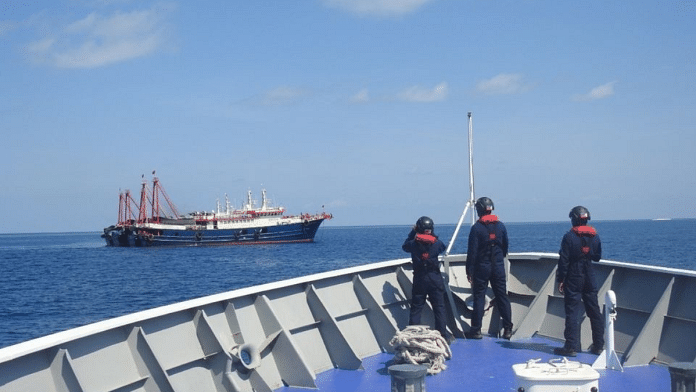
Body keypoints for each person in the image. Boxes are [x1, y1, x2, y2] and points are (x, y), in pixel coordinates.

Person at [554, 206, 605, 357]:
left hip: (574, 276)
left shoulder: (569, 237)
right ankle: (598, 346)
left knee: (572, 312)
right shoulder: (595, 236)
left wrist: (561, 279)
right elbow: (597, 257)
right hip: (589, 274)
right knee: (594, 311)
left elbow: (564, 260)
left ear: (574, 219)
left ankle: (570, 347)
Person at [465, 197, 513, 340]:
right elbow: (505, 246)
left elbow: (472, 252)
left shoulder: (476, 228)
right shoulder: (501, 226)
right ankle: (508, 329)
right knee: (502, 296)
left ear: (479, 210)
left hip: (482, 267)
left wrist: (470, 271)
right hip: (498, 266)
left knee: (479, 297)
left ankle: (476, 330)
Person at [402, 216, 451, 342]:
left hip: (420, 278)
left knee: (416, 308)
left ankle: (413, 337)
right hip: (435, 278)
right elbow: (442, 247)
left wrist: (414, 232)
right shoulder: (437, 244)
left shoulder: (413, 244)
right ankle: (443, 337)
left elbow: (405, 246)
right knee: (439, 308)